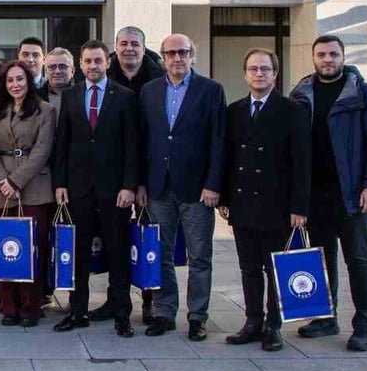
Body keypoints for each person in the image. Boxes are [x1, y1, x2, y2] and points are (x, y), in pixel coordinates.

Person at [290, 34, 367, 352]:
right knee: (321, 257)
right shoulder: (302, 93)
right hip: (316, 194)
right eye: (321, 55)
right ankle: (325, 317)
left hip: (353, 194)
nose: (327, 60)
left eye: (333, 54)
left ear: (343, 56)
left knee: (358, 259)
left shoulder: (365, 94)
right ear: (314, 58)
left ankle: (363, 326)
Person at [219, 48, 310, 352]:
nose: (259, 74)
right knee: (248, 267)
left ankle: (274, 324)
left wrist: (299, 206)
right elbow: (227, 157)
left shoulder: (292, 110)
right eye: (254, 69)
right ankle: (252, 321)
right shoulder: (235, 111)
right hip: (243, 203)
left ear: (275, 74)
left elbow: (302, 162)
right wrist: (225, 196)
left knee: (275, 267)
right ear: (245, 74)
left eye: (265, 69)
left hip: (277, 204)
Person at [138, 33, 226, 341]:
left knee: (199, 255)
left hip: (198, 190)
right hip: (158, 187)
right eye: (171, 53)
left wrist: (214, 184)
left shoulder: (211, 90)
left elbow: (218, 140)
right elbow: (143, 140)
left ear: (193, 55)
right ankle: (164, 312)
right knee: (160, 253)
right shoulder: (149, 91)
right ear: (163, 57)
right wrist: (140, 183)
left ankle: (197, 316)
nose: (177, 58)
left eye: (183, 52)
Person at [52, 40, 139, 337]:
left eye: (98, 61)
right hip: (79, 189)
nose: (93, 66)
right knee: (79, 253)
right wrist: (60, 182)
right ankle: (77, 311)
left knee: (117, 253)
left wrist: (129, 185)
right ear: (80, 64)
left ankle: (122, 314)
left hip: (114, 190)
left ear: (107, 63)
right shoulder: (72, 95)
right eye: (88, 61)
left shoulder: (125, 97)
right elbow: (62, 142)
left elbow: (132, 146)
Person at [0, 60, 56, 327]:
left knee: (33, 248)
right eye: (10, 80)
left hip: (33, 188)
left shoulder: (45, 111)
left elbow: (42, 150)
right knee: (4, 248)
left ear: (29, 81)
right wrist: (2, 180)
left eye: (20, 79)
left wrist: (16, 181)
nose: (15, 84)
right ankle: (9, 306)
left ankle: (31, 307)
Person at [107, 25, 164, 323]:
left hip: (149, 173)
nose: (129, 49)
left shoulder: (159, 79)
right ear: (115, 47)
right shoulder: (105, 75)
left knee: (147, 240)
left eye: (134, 44)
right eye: (123, 43)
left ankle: (149, 300)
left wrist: (139, 181)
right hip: (110, 175)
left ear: (144, 48)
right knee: (114, 241)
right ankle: (114, 300)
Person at [108, 26, 163, 95]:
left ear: (143, 50)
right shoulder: (103, 74)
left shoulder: (161, 77)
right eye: (124, 44)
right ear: (116, 48)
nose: (129, 48)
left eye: (135, 44)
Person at [43, 47, 76, 114]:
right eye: (52, 67)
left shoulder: (82, 96)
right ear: (46, 71)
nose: (57, 71)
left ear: (72, 71)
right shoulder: (36, 97)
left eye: (62, 66)